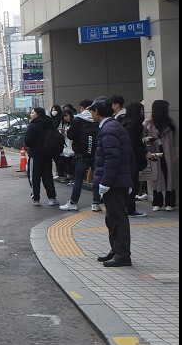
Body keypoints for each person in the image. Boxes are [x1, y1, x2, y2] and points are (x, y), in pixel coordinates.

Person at [89, 96, 133, 267]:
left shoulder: (109, 129)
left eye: (91, 111)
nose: (91, 114)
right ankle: (116, 250)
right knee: (112, 218)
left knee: (117, 219)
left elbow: (112, 158)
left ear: (97, 112)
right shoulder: (112, 126)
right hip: (117, 181)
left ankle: (122, 254)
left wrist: (105, 182)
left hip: (114, 183)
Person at [60, 100, 100, 212]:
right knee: (97, 178)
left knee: (78, 180)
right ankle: (96, 203)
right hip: (96, 153)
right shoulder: (97, 118)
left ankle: (73, 202)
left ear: (82, 108)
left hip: (81, 154)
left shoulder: (78, 119)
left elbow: (71, 135)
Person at [143, 99, 178, 211]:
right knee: (156, 177)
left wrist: (177, 154)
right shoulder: (148, 123)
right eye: (166, 108)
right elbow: (141, 138)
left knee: (170, 176)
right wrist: (146, 140)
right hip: (154, 152)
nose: (168, 110)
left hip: (169, 152)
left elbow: (176, 141)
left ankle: (170, 203)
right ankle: (157, 202)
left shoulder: (171, 123)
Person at [24, 106, 60, 206]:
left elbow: (27, 141)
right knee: (48, 176)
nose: (31, 115)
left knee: (34, 177)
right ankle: (52, 198)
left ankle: (36, 199)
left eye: (32, 113)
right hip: (48, 154)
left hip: (35, 155)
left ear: (37, 114)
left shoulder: (33, 125)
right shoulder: (49, 123)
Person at [123, 101, 148, 217]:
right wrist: (145, 152)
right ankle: (131, 209)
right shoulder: (134, 125)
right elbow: (134, 144)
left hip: (127, 158)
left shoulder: (126, 123)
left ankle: (127, 207)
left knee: (129, 184)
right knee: (132, 184)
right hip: (132, 159)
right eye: (141, 110)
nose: (143, 112)